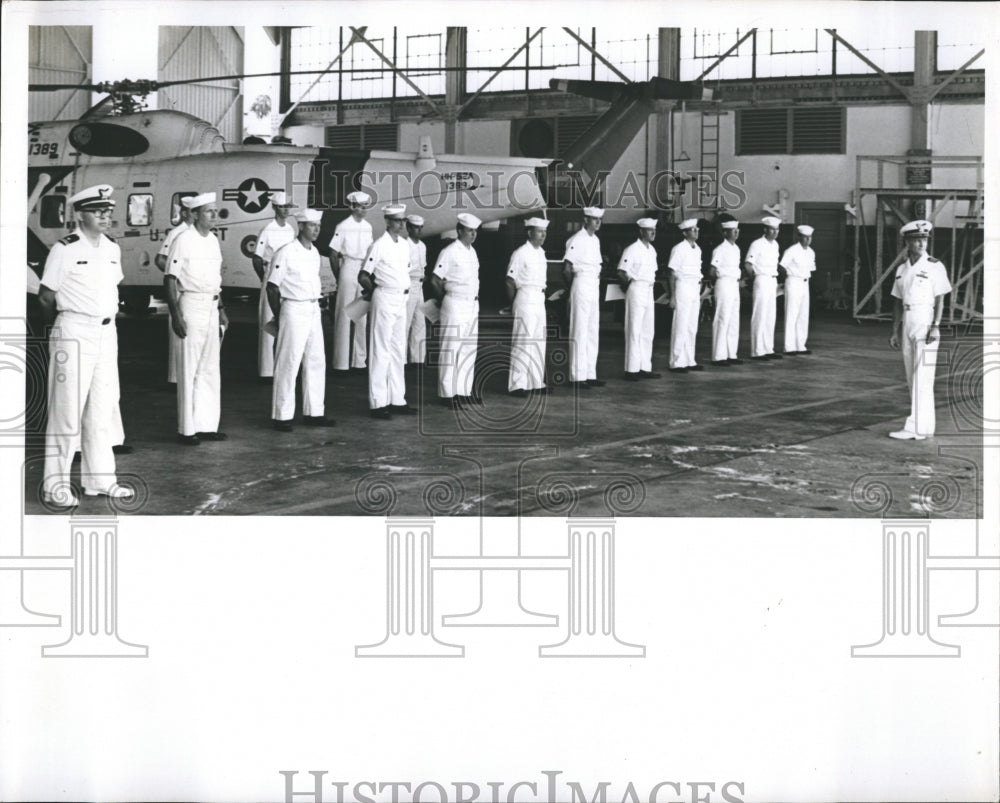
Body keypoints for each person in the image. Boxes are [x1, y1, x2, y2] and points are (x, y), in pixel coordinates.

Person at [38, 184, 134, 506]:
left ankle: (100, 481)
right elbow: (46, 297)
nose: (105, 217)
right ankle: (55, 487)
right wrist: (59, 331)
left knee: (102, 409)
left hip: (107, 333)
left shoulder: (111, 248)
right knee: (66, 412)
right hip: (74, 331)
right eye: (97, 211)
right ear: (80, 215)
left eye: (107, 211)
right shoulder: (65, 249)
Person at [164, 192, 228, 445]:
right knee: (189, 369)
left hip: (211, 305)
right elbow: (170, 278)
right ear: (195, 214)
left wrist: (221, 308)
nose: (214, 215)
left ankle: (206, 425)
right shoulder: (183, 239)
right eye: (209, 211)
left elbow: (215, 279)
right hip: (190, 304)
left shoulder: (213, 240)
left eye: (215, 211)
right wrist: (175, 314)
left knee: (210, 368)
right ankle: (187, 429)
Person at [267, 208, 335, 431]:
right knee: (289, 362)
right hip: (293, 308)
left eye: (318, 226)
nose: (316, 230)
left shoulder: (314, 253)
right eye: (312, 225)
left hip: (313, 307)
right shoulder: (286, 252)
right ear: (302, 226)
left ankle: (314, 412)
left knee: (316, 361)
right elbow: (272, 287)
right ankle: (282, 415)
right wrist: (280, 315)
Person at [888, 220, 951, 440]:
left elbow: (940, 298)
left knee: (922, 376)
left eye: (924, 239)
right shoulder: (902, 269)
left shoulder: (934, 266)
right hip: (908, 320)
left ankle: (915, 428)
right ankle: (923, 427)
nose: (922, 243)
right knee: (911, 376)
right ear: (907, 241)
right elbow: (897, 301)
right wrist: (895, 330)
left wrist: (935, 326)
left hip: (925, 320)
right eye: (917, 239)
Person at [358, 205, 417, 420]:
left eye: (403, 220)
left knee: (398, 349)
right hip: (384, 297)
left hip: (401, 299)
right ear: (388, 221)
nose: (401, 224)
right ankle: (378, 402)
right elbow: (363, 275)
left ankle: (397, 399)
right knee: (380, 350)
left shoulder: (404, 245)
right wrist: (377, 292)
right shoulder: (379, 245)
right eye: (397, 220)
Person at [429, 213, 484, 407]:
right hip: (455, 303)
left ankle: (463, 391)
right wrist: (444, 300)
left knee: (468, 349)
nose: (473, 234)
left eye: (475, 231)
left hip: (472, 305)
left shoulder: (472, 252)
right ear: (459, 231)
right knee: (451, 348)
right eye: (469, 230)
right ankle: (447, 393)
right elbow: (435, 279)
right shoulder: (450, 251)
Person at [253, 191, 298, 381]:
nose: (286, 210)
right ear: (274, 208)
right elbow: (257, 258)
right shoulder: (267, 229)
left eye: (288, 206)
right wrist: (265, 278)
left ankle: (283, 367)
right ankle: (266, 371)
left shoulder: (290, 229)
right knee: (268, 322)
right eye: (282, 207)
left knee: (286, 320)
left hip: (286, 279)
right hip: (271, 275)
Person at [329, 190, 373, 373]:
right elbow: (333, 254)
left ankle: (359, 361)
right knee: (344, 314)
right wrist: (339, 276)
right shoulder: (343, 226)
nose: (364, 210)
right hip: (347, 266)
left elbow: (370, 253)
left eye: (365, 207)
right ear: (352, 207)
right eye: (360, 207)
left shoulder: (368, 227)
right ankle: (341, 363)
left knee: (361, 315)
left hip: (363, 269)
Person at [506, 217, 550, 397]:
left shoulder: (541, 253)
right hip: (525, 297)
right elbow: (510, 281)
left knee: (538, 341)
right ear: (530, 232)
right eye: (539, 232)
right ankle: (517, 384)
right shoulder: (520, 253)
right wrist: (513, 303)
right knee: (523, 342)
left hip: (539, 298)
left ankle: (536, 382)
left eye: (544, 232)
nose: (543, 235)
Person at [562, 206, 606, 388]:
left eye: (599, 220)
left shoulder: (595, 240)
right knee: (579, 330)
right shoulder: (577, 239)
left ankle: (589, 373)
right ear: (586, 220)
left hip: (593, 284)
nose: (598, 222)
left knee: (592, 330)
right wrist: (572, 288)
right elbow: (566, 269)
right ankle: (577, 376)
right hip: (580, 283)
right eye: (594, 219)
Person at [156, 194, 195, 386]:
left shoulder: (197, 233)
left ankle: (186, 377)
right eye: (193, 211)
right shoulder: (177, 233)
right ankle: (175, 380)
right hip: (180, 289)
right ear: (185, 213)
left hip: (194, 290)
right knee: (178, 335)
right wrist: (178, 275)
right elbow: (160, 259)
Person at [617, 218, 661, 381]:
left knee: (648, 330)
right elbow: (621, 272)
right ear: (641, 231)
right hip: (636, 288)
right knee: (634, 329)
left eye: (654, 229)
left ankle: (644, 367)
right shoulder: (632, 249)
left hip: (649, 289)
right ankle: (631, 369)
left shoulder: (652, 250)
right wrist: (630, 286)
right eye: (649, 230)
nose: (653, 232)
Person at [667, 218, 705, 373]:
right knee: (681, 325)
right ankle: (676, 362)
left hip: (695, 288)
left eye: (697, 229)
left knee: (691, 326)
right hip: (683, 287)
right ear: (685, 233)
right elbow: (671, 273)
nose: (696, 231)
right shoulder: (679, 249)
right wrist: (672, 296)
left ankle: (690, 360)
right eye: (693, 229)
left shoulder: (697, 249)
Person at [745, 216, 783, 361]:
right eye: (772, 229)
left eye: (777, 229)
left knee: (770, 316)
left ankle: (768, 348)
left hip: (772, 281)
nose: (775, 232)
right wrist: (754, 280)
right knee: (760, 316)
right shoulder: (757, 244)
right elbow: (748, 265)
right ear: (765, 229)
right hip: (761, 279)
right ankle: (757, 351)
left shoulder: (775, 245)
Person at [710, 219, 744, 366]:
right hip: (724, 283)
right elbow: (712, 270)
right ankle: (719, 356)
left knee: (733, 320)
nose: (736, 232)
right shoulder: (720, 249)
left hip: (734, 284)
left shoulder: (736, 249)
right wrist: (721, 281)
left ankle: (731, 354)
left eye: (737, 230)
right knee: (722, 319)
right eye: (733, 230)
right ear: (725, 233)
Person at [780, 224, 816, 355]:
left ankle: (801, 345)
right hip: (793, 281)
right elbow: (781, 267)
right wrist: (785, 281)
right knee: (792, 314)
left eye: (810, 237)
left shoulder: (811, 252)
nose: (808, 239)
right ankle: (789, 347)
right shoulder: (791, 250)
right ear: (799, 237)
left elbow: (811, 269)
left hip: (805, 283)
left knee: (803, 315)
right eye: (805, 237)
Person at [404, 214, 428, 366]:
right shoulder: (404, 245)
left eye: (420, 227)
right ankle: (401, 359)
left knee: (420, 322)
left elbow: (423, 266)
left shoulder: (422, 246)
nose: (419, 230)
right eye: (415, 227)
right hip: (408, 284)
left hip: (419, 286)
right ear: (408, 228)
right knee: (405, 322)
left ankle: (417, 359)